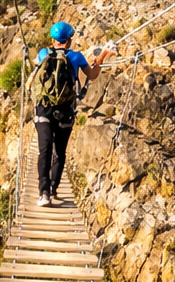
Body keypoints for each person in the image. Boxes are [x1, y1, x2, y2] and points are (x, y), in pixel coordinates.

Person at [29, 22, 113, 207]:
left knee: (44, 149)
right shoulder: (76, 57)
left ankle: (43, 193)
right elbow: (92, 75)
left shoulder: (43, 53)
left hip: (43, 109)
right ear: (68, 41)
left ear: (53, 40)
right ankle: (53, 188)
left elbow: (35, 71)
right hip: (66, 111)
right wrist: (103, 54)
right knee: (59, 152)